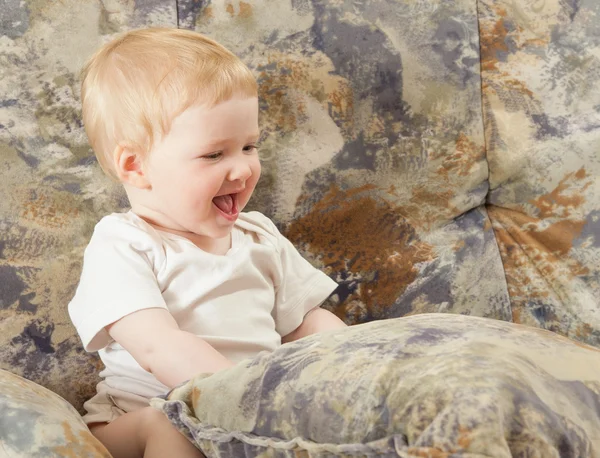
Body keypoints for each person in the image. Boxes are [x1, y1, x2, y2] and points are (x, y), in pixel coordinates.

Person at [68, 27, 347, 458]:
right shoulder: (124, 243)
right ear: (136, 166)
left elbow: (305, 324)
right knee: (173, 427)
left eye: (249, 146)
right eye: (214, 154)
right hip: (137, 419)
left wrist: (350, 361)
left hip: (249, 417)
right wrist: (245, 396)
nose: (242, 170)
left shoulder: (259, 237)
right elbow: (156, 345)